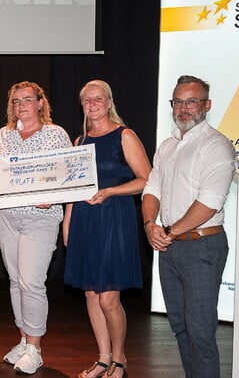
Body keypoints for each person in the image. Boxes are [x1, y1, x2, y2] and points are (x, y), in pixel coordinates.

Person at [142, 75, 236, 378]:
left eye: (191, 101)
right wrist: (148, 224)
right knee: (180, 327)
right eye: (178, 102)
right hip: (171, 247)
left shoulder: (216, 146)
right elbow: (151, 188)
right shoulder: (168, 145)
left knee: (200, 332)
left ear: (206, 105)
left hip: (201, 247)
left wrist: (169, 232)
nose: (184, 108)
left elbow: (210, 202)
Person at [62, 80, 151, 378]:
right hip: (85, 220)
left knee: (108, 298)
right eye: (87, 99)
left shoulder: (124, 135)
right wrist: (67, 221)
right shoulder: (79, 142)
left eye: (98, 98)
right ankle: (103, 359)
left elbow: (146, 180)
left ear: (109, 102)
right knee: (90, 295)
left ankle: (120, 360)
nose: (93, 103)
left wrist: (110, 192)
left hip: (115, 219)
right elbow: (75, 188)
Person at [0, 81, 71, 375]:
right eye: (16, 101)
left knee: (31, 281)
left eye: (27, 99)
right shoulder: (3, 135)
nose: (21, 105)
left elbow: (68, 176)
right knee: (15, 280)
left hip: (40, 216)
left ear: (40, 103)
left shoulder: (56, 134)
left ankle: (35, 348)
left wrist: (54, 196)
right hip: (7, 214)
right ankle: (23, 339)